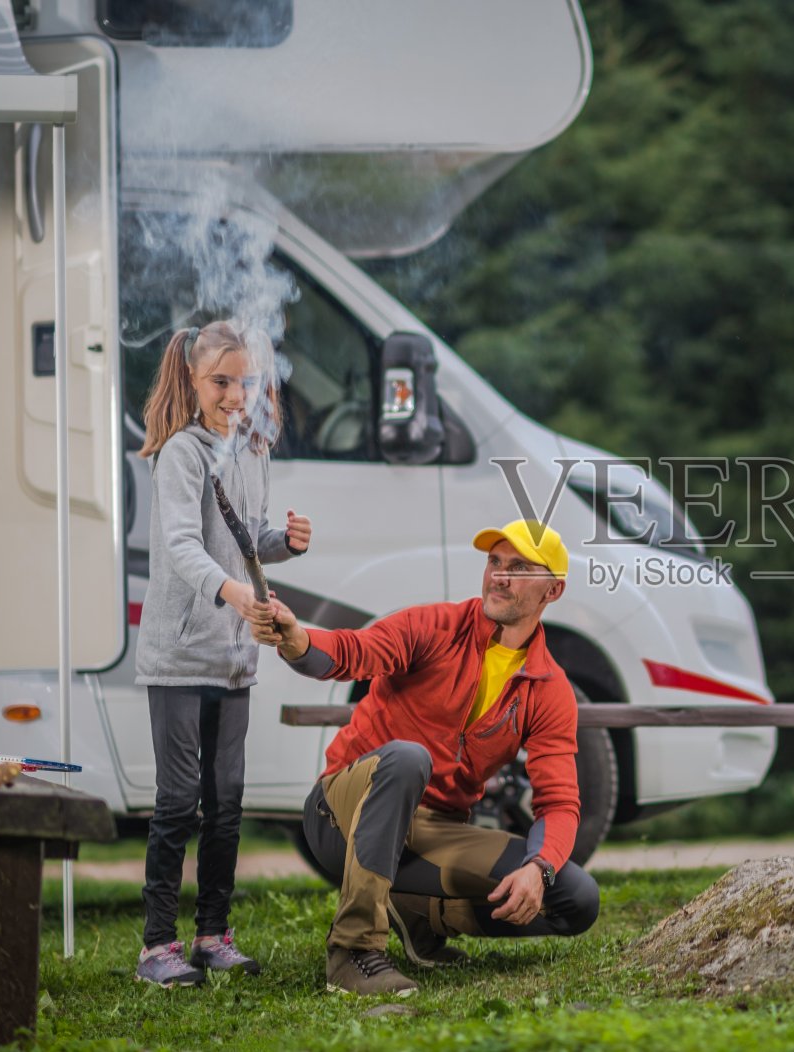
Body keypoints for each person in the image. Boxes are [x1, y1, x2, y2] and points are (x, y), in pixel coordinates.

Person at [252, 519, 600, 997]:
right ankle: (353, 951)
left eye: (518, 568)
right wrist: (297, 639)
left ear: (552, 591)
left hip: (433, 832)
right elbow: (355, 650)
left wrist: (538, 869)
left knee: (575, 898)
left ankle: (421, 915)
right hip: (340, 816)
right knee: (407, 759)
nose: (499, 576)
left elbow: (559, 803)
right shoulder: (435, 626)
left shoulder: (549, 688)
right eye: (495, 562)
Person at [134, 321, 313, 987]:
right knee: (178, 800)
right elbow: (182, 546)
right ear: (192, 381)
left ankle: (212, 935)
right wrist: (235, 591)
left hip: (235, 659)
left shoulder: (252, 451)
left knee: (226, 802)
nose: (235, 395)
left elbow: (247, 535)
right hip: (180, 656)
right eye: (221, 382)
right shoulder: (180, 453)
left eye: (245, 381)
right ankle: (157, 947)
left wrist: (284, 543)